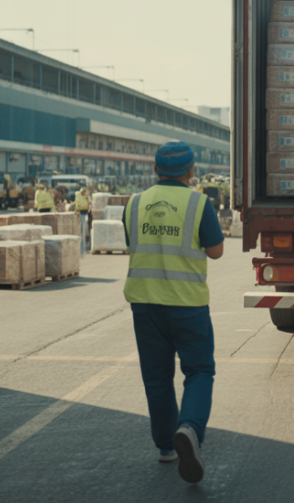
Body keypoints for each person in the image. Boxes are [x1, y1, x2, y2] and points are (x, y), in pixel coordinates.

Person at [123, 142, 225, 483]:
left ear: (155, 170)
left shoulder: (134, 204)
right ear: (191, 171)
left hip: (145, 304)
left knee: (157, 377)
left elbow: (133, 243)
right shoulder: (199, 203)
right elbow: (216, 251)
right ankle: (190, 429)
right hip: (187, 306)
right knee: (198, 372)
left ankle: (167, 447)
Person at [74, 187, 91, 252]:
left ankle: (85, 237)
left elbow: (89, 202)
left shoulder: (86, 196)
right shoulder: (79, 196)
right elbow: (77, 203)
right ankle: (82, 235)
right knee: (81, 225)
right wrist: (76, 210)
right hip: (81, 212)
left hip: (86, 212)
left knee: (86, 224)